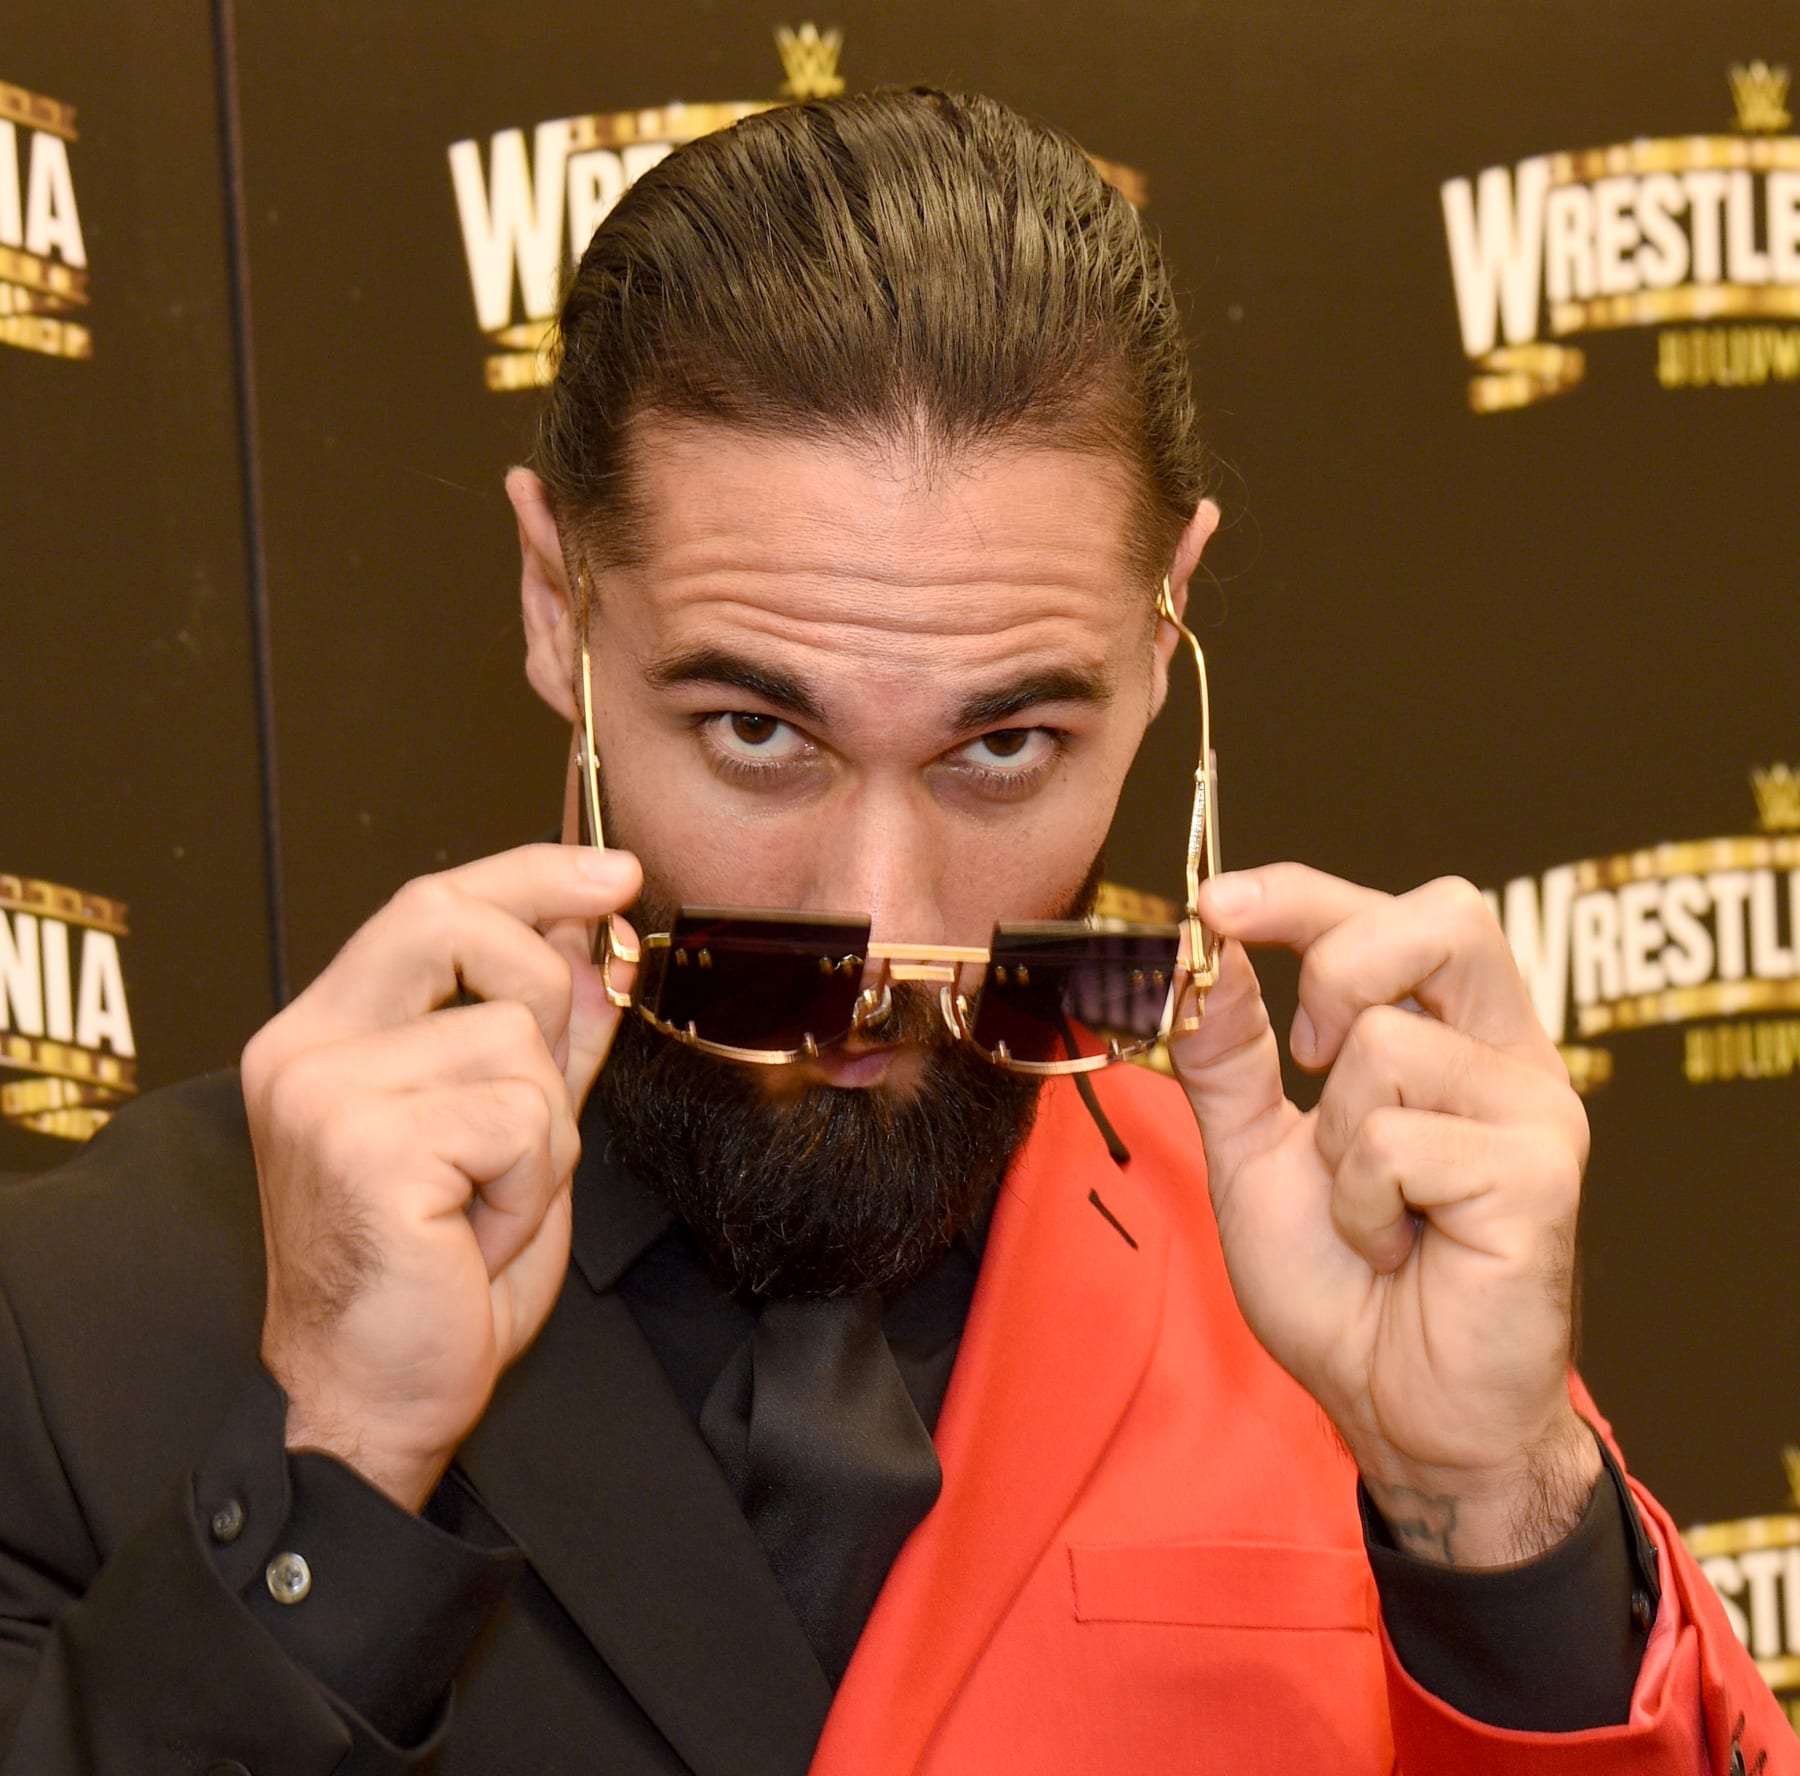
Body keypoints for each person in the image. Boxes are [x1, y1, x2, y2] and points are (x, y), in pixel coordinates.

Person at [0, 87, 1787, 1776]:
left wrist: (1494, 1512)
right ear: (561, 611)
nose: (884, 911)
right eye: (756, 734)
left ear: (1167, 634)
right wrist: (328, 1479)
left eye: (1004, 748)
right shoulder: (93, 1321)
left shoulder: (1333, 1286)